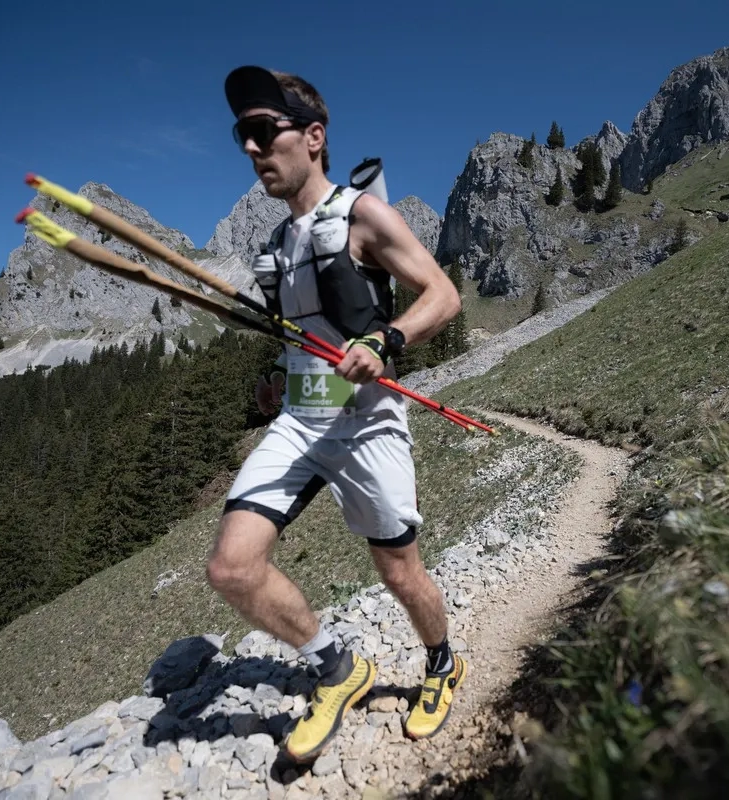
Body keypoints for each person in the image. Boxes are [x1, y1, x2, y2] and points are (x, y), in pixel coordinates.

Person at [205, 64, 467, 764]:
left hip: (366, 418)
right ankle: (337, 668)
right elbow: (300, 339)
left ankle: (442, 661)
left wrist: (386, 342)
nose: (251, 148)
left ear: (313, 136)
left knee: (400, 573)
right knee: (232, 567)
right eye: (242, 135)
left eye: (264, 131)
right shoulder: (277, 246)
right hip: (300, 420)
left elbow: (443, 295)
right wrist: (274, 383)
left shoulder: (362, 215)